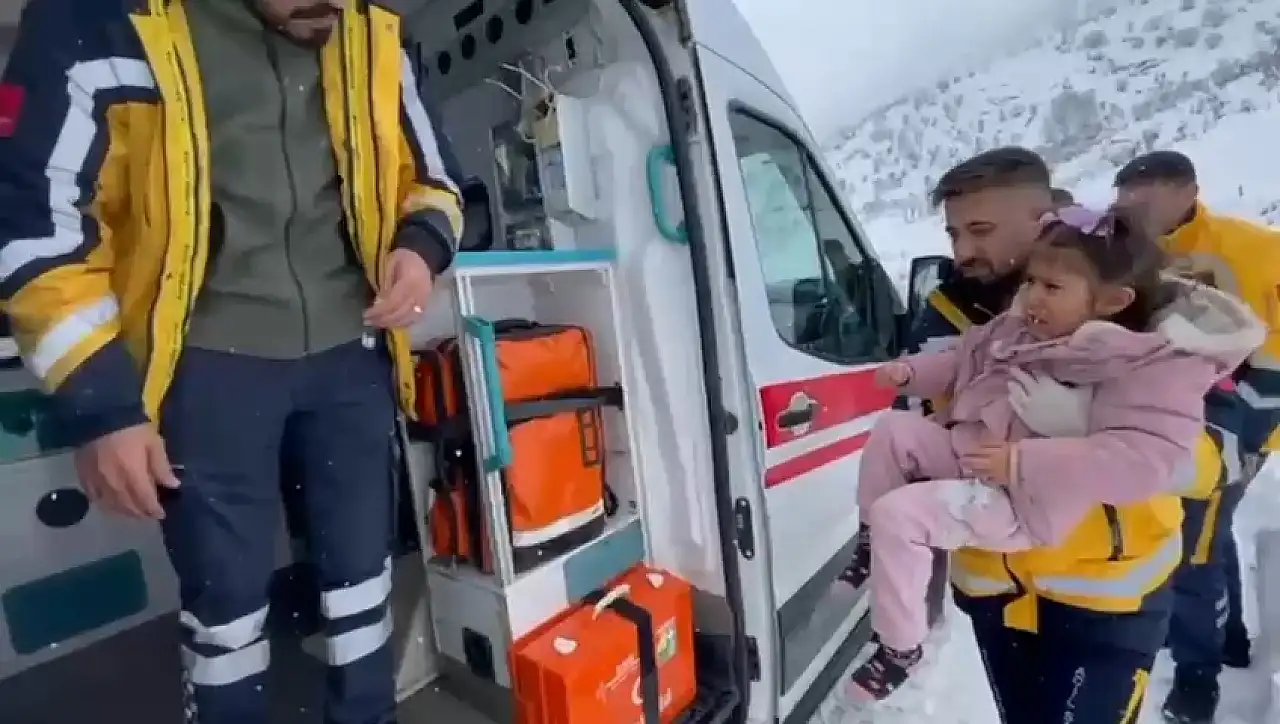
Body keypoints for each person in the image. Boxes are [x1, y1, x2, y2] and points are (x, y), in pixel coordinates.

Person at [0, 2, 463, 723]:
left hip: (354, 358)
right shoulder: (96, 21)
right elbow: (39, 229)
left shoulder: (374, 31)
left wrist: (421, 243)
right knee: (227, 607)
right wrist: (102, 405)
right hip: (208, 371)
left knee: (362, 579)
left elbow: (434, 178)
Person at [843, 205, 1264, 702]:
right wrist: (913, 373)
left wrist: (1026, 461)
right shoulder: (1022, 327)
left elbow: (1148, 461)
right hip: (977, 465)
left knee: (900, 515)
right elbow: (965, 356)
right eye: (1030, 281)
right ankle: (871, 542)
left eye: (1051, 287)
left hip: (1025, 502)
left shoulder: (1148, 366)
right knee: (893, 431)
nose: (1031, 296)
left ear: (1112, 301)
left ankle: (900, 648)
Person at [1113, 150, 1280, 723]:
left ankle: (1196, 678)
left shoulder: (1253, 248)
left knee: (1194, 541)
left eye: (1143, 201)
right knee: (1209, 525)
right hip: (1173, 412)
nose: (1130, 212)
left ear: (1187, 192)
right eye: (1123, 202)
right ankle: (1227, 637)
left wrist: (1249, 421)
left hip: (1242, 416)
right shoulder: (1132, 254)